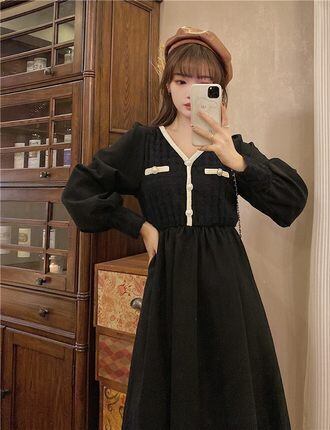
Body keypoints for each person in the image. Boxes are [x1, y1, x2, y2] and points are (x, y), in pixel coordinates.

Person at [61, 25, 308, 430]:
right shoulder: (143, 143)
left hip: (228, 287)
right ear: (167, 86)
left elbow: (292, 200)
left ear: (220, 92)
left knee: (230, 389)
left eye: (205, 83)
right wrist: (140, 226)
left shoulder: (231, 147)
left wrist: (237, 161)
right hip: (168, 286)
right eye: (181, 81)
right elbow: (79, 191)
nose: (191, 93)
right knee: (165, 391)